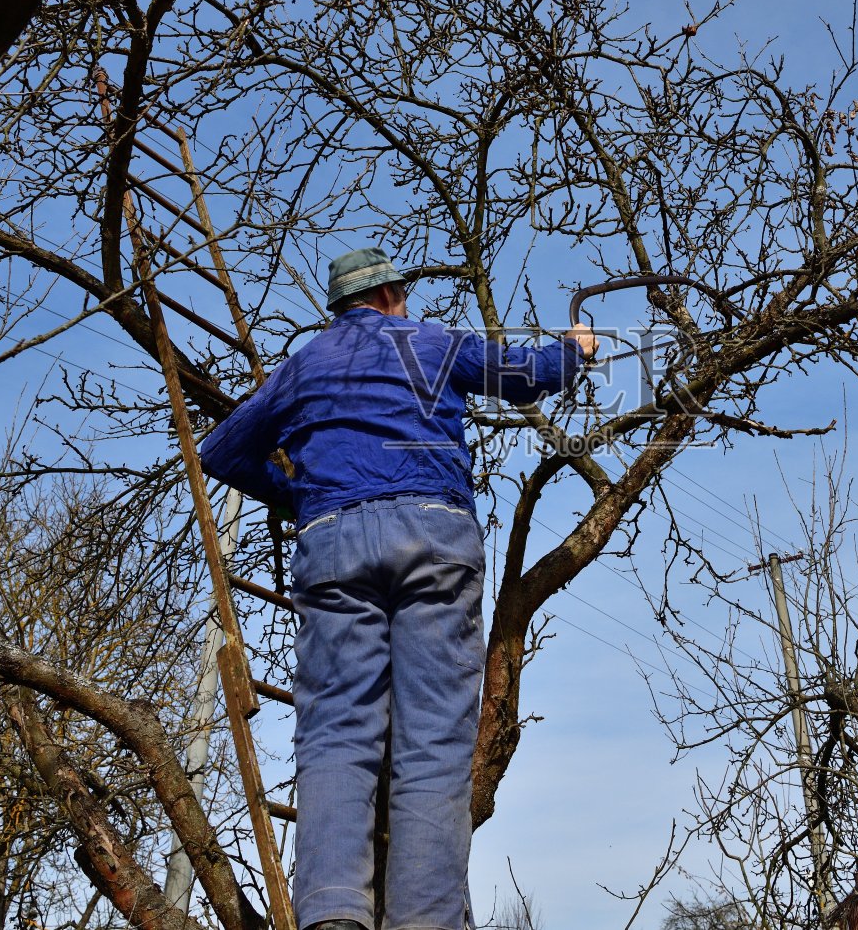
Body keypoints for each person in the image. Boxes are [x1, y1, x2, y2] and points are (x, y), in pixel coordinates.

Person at [199, 246, 598, 930]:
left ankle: (330, 914)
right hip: (432, 537)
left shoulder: (305, 365)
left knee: (335, 735)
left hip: (334, 545)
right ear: (389, 293)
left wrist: (299, 496)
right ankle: (424, 917)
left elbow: (221, 450)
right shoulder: (432, 342)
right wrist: (573, 348)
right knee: (433, 742)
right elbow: (526, 376)